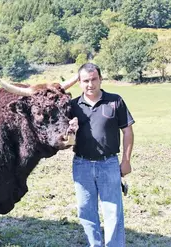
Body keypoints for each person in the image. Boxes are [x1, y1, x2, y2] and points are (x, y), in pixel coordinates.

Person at [70, 63, 134, 247]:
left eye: (94, 79)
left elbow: (128, 132)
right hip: (81, 165)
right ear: (80, 83)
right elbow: (66, 141)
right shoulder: (73, 106)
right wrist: (70, 132)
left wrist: (126, 161)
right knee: (85, 210)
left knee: (113, 210)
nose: (90, 84)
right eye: (85, 81)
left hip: (109, 164)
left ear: (100, 79)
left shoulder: (115, 101)